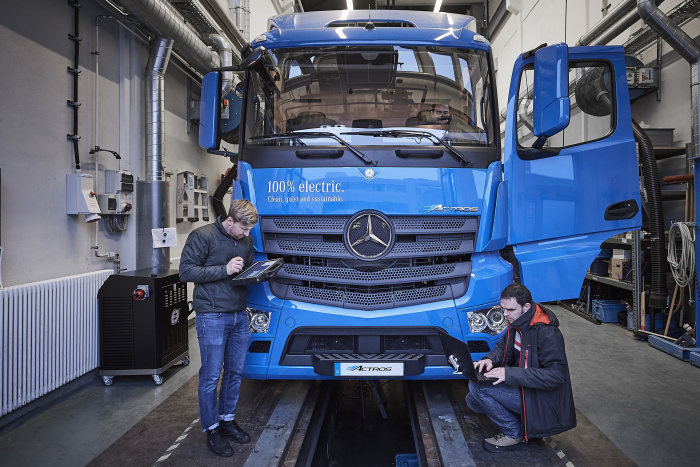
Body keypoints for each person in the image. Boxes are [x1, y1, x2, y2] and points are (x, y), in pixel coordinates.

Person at [179, 199, 259, 457]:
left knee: (235, 372)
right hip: (212, 315)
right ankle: (212, 429)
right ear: (230, 220)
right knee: (211, 375)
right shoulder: (203, 236)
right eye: (243, 228)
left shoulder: (246, 242)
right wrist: (224, 269)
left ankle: (227, 420)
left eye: (249, 230)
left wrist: (260, 273)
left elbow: (245, 270)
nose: (247, 235)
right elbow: (186, 272)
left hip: (238, 314)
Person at [466, 283, 576, 452]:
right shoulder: (518, 321)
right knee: (472, 400)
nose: (505, 314)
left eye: (510, 310)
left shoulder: (547, 332)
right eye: (503, 309)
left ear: (526, 306)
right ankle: (522, 419)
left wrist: (509, 374)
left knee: (477, 389)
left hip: (543, 400)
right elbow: (503, 347)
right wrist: (489, 360)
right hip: (526, 388)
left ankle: (514, 432)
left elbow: (556, 376)